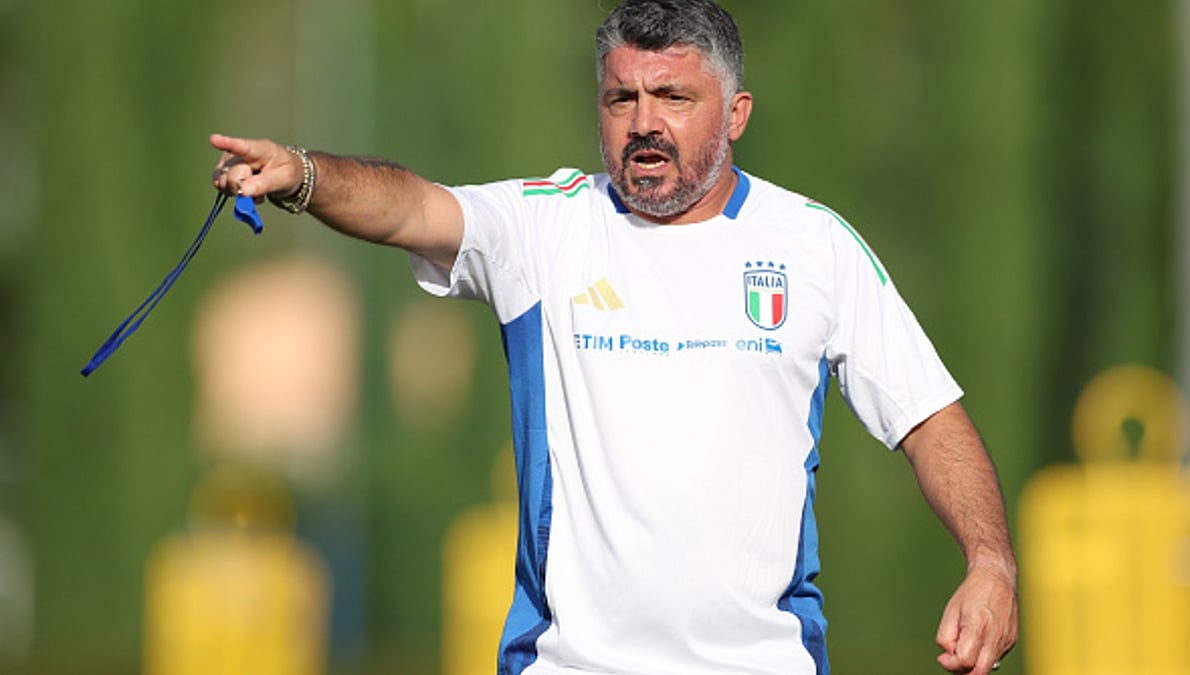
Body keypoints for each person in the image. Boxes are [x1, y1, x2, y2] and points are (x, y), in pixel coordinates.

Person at [210, 1, 1019, 673]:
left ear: (735, 113)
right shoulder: (544, 227)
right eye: (621, 98)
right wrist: (304, 174)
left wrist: (990, 562)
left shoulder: (814, 247)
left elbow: (928, 416)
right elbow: (411, 207)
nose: (644, 123)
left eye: (673, 97)